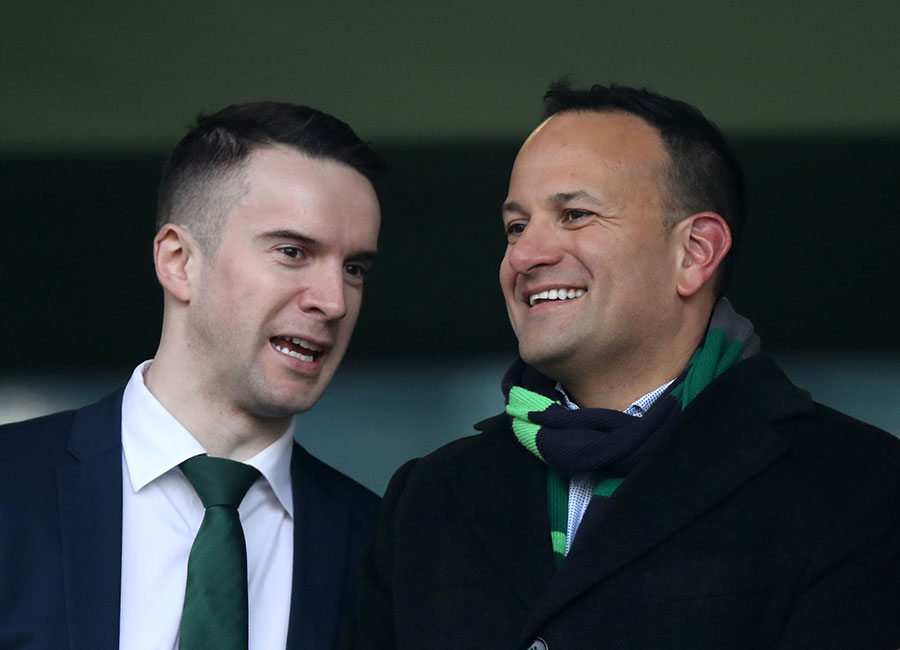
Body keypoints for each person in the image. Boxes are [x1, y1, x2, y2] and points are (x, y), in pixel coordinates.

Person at [354, 83, 900, 649]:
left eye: (575, 214)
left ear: (694, 253)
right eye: (516, 227)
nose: (525, 255)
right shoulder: (428, 498)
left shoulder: (857, 488)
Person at [1, 102, 386, 650]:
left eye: (354, 269)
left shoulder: (380, 548)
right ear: (179, 260)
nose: (333, 301)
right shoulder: (10, 488)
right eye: (292, 251)